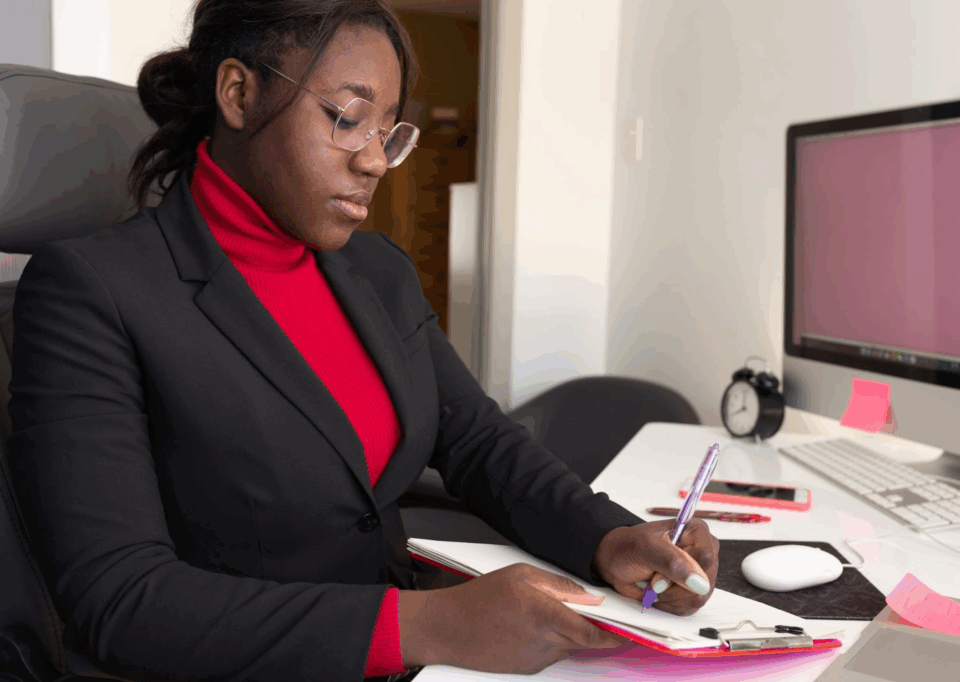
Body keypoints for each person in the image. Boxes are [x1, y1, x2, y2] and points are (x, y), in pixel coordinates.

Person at [5, 1, 720, 680]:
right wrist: (430, 625)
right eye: (347, 119)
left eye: (388, 130)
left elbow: (477, 442)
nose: (375, 160)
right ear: (237, 94)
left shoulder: (377, 271)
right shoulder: (92, 291)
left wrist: (608, 537)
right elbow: (122, 600)